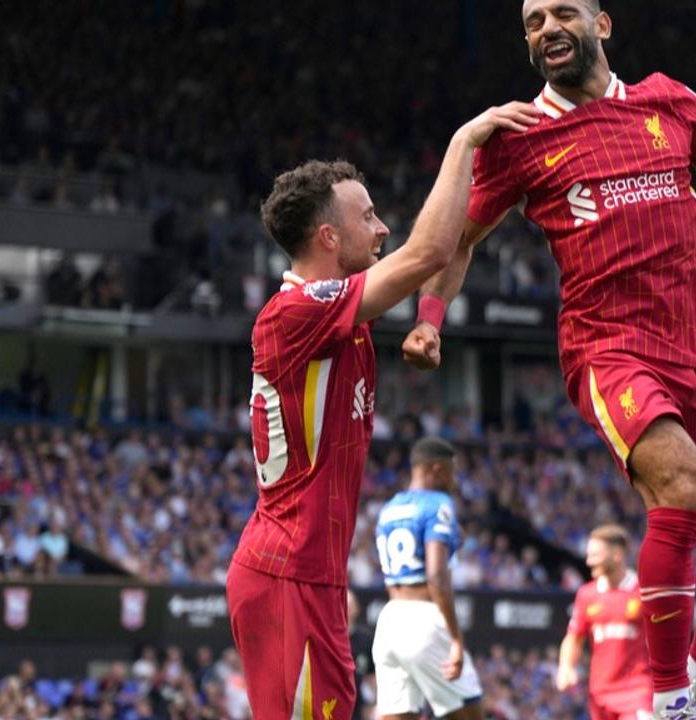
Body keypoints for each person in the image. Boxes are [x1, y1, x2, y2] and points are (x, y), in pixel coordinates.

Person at [401, 2, 696, 717]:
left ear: (602, 24)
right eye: (533, 20)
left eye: (562, 13)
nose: (546, 29)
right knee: (682, 486)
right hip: (609, 349)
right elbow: (459, 239)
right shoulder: (520, 137)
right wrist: (428, 318)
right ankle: (668, 699)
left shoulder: (669, 102)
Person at [226, 102, 539, 720]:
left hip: (309, 573)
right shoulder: (297, 314)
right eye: (367, 215)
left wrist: (429, 320)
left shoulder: (337, 314)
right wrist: (464, 141)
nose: (382, 228)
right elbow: (428, 251)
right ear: (328, 238)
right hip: (288, 572)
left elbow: (453, 247)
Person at [371, 437, 482, 720]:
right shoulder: (438, 503)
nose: (454, 479)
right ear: (435, 469)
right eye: (451, 470)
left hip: (390, 620)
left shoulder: (389, 508)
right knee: (469, 714)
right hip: (424, 620)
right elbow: (435, 574)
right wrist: (456, 638)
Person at [556, 524, 653, 720]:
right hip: (599, 693)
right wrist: (566, 667)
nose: (589, 561)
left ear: (617, 554)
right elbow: (574, 637)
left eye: (595, 555)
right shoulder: (587, 594)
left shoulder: (644, 591)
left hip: (637, 690)